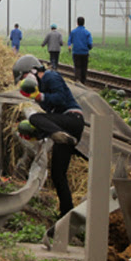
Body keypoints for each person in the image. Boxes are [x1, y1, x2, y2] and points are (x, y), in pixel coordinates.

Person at [13, 55, 85, 219]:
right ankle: (66, 215)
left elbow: (60, 99)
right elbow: (51, 118)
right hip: (65, 130)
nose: (25, 82)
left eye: (24, 77)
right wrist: (36, 134)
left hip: (72, 119)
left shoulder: (51, 76)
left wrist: (40, 97)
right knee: (58, 174)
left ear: (32, 70)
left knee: (34, 118)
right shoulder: (42, 87)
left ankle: (59, 135)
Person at [67, 16, 92, 84]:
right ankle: (83, 81)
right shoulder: (87, 32)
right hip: (85, 53)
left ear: (77, 23)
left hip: (76, 52)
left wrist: (69, 47)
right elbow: (90, 43)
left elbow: (69, 41)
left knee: (77, 67)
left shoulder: (73, 32)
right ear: (84, 23)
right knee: (84, 67)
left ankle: (77, 80)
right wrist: (88, 48)